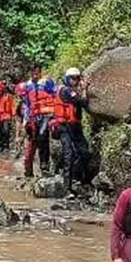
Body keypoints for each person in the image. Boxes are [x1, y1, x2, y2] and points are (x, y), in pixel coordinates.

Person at [55, 67, 92, 195]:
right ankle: (67, 188)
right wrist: (85, 89)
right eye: (72, 78)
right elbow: (83, 102)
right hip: (65, 127)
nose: (75, 81)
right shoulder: (66, 91)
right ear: (67, 78)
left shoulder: (72, 90)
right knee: (68, 154)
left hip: (74, 126)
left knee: (84, 152)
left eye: (77, 78)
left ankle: (80, 180)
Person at [20, 68, 47, 177]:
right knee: (31, 145)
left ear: (40, 73)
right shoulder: (28, 86)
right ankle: (28, 171)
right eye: (33, 73)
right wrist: (25, 121)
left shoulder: (45, 84)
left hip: (44, 119)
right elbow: (27, 105)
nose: (35, 76)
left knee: (43, 145)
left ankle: (44, 169)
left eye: (37, 73)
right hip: (32, 121)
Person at [0, 80, 16, 154]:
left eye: (1, 90)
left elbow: (12, 106)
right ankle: (0, 145)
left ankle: (6, 146)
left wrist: (13, 115)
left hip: (7, 115)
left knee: (6, 131)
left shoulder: (8, 96)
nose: (0, 91)